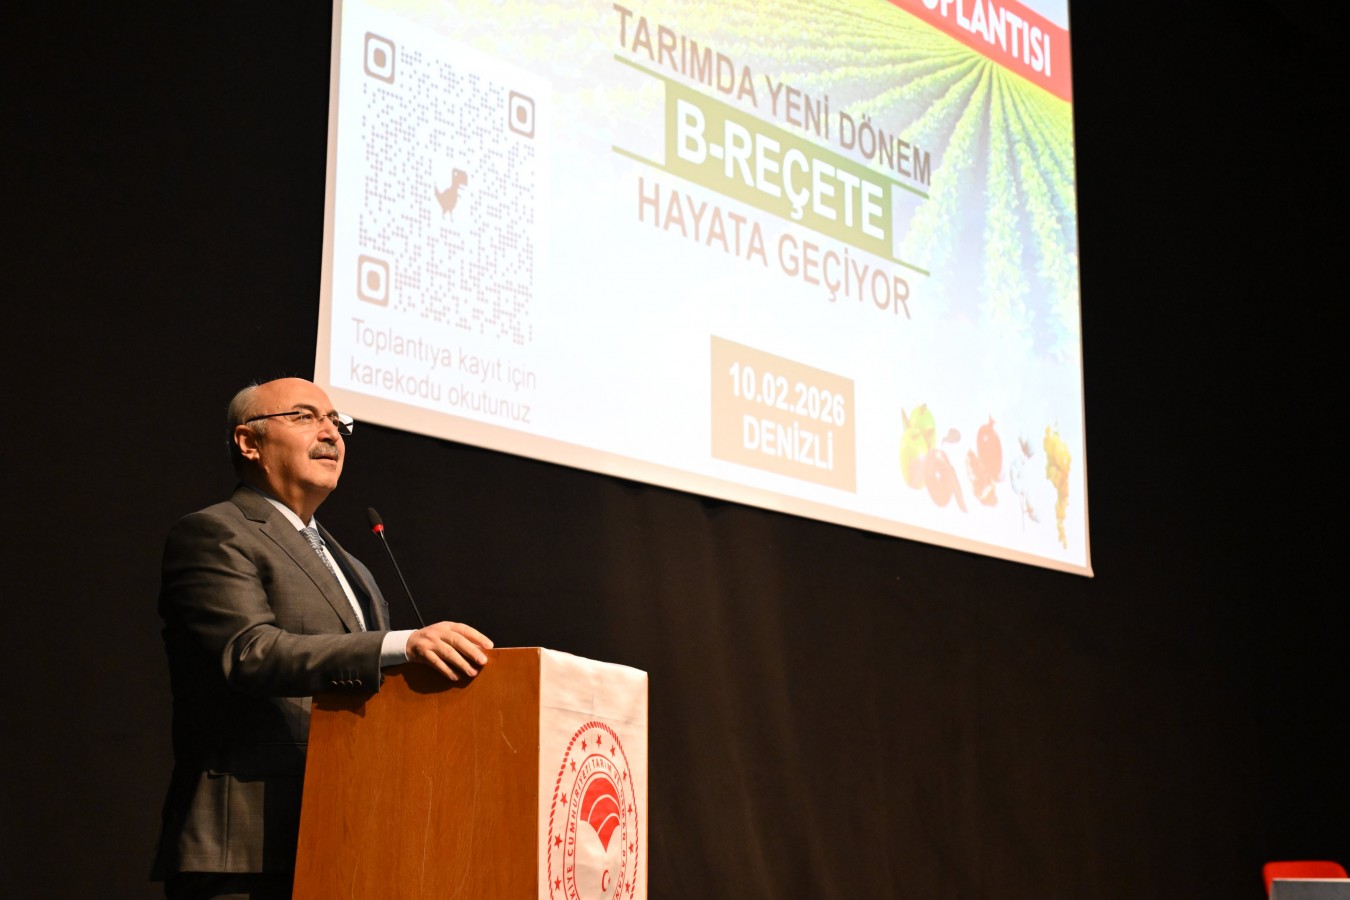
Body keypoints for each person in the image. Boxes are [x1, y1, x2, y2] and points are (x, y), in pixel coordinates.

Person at [152, 377, 493, 899]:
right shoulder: (215, 533)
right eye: (305, 416)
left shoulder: (352, 564)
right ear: (249, 442)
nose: (331, 433)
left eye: (336, 421)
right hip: (247, 843)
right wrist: (399, 645)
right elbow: (248, 652)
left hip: (346, 836)